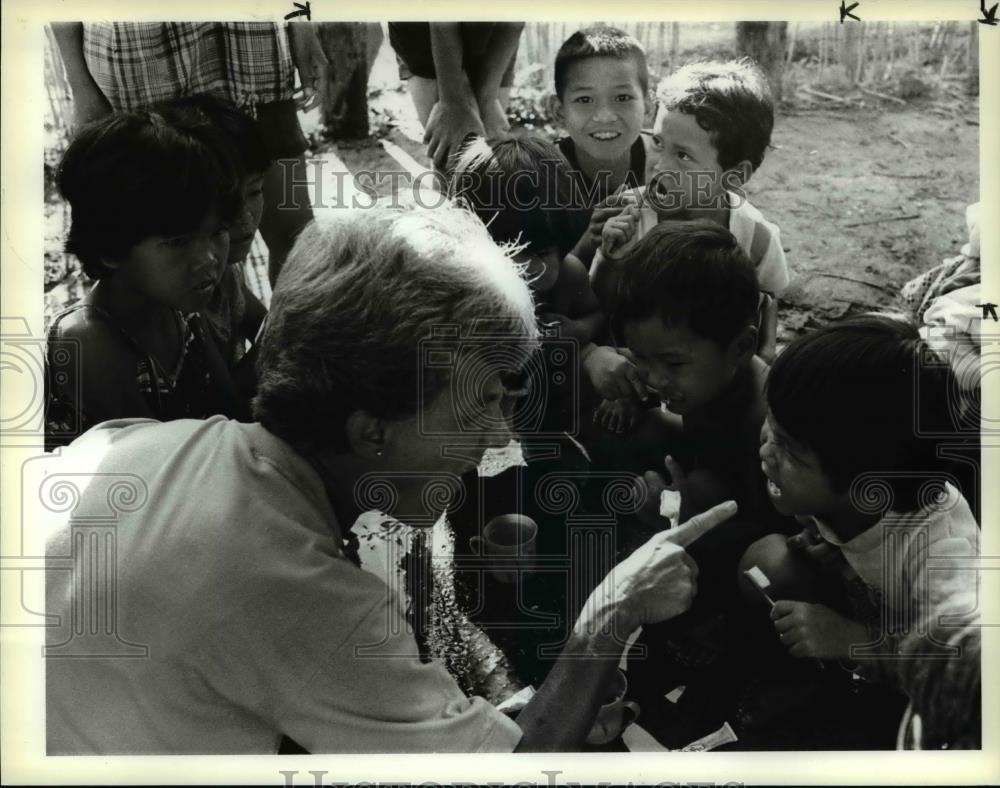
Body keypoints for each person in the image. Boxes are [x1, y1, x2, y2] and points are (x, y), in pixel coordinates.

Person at [44, 202, 738, 754]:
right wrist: (609, 616)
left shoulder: (148, 443)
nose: (499, 435)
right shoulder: (297, 595)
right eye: (481, 405)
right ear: (370, 428)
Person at [739, 316, 979, 680]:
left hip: (921, 662)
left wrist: (851, 639)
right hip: (867, 610)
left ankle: (824, 690)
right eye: (770, 426)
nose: (766, 450)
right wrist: (828, 542)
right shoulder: (832, 488)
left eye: (789, 450)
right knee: (765, 568)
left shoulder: (942, 553)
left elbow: (964, 665)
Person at [49, 21, 324, 284]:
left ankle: (296, 331)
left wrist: (301, 23)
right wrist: (80, 84)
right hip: (145, 57)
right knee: (188, 245)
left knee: (296, 239)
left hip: (254, 49)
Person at [44, 108, 248, 450]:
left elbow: (233, 417)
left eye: (218, 232)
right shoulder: (87, 340)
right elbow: (161, 469)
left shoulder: (178, 309)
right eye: (178, 242)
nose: (209, 258)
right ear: (110, 248)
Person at [591, 59, 789, 362]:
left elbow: (767, 299)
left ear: (735, 175)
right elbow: (597, 303)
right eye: (658, 143)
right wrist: (609, 257)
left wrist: (765, 352)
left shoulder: (754, 238)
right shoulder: (630, 214)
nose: (660, 165)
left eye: (683, 155)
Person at [155, 95, 272, 396]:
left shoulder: (226, 273)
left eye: (256, 191)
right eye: (226, 203)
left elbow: (265, 324)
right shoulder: (181, 297)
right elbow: (225, 405)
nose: (245, 220)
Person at [550, 26, 658, 267]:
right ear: (558, 111)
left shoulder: (664, 160)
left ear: (648, 105)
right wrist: (590, 241)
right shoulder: (543, 172)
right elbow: (541, 278)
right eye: (585, 100)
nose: (605, 116)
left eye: (622, 98)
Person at [388, 22, 524, 173]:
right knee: (453, 162)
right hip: (424, 26)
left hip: (493, 29)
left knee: (489, 154)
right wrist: (451, 101)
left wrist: (487, 98)